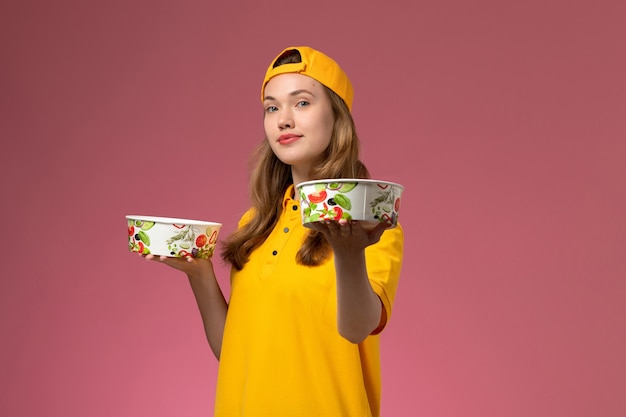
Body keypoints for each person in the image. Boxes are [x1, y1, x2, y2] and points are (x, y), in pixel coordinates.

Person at [143, 46, 404, 417]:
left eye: (301, 103)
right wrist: (199, 273)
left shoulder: (371, 223)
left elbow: (357, 329)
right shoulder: (254, 224)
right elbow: (234, 352)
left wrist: (347, 253)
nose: (283, 120)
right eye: (272, 107)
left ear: (337, 116)